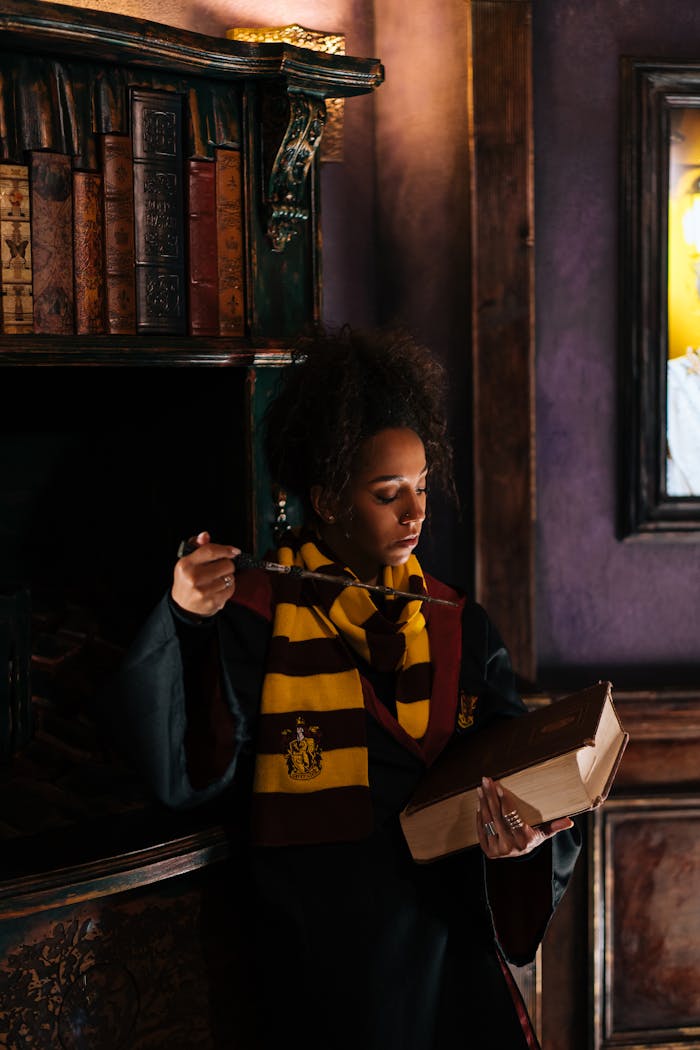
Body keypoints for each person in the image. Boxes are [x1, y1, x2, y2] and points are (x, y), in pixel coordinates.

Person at [105, 326, 581, 1050]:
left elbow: (510, 766)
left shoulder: (460, 623)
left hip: (446, 952)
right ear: (327, 499)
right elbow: (186, 769)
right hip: (318, 960)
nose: (416, 513)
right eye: (388, 494)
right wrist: (186, 618)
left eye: (422, 486)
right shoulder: (258, 615)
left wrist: (523, 839)